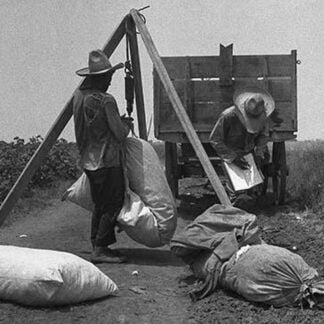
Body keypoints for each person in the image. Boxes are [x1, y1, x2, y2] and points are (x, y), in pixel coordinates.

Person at [73, 49, 133, 263]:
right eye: (108, 77)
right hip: (106, 160)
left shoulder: (79, 97)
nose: (109, 81)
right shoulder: (105, 100)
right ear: (100, 78)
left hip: (88, 160)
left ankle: (97, 244)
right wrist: (126, 124)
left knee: (100, 203)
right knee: (113, 203)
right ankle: (100, 248)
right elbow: (119, 133)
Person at [209, 86, 275, 207]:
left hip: (249, 153)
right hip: (231, 154)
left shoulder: (262, 116)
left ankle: (250, 196)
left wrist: (259, 155)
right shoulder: (228, 116)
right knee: (236, 191)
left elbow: (263, 136)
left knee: (252, 190)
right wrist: (233, 157)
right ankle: (236, 202)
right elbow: (215, 139)